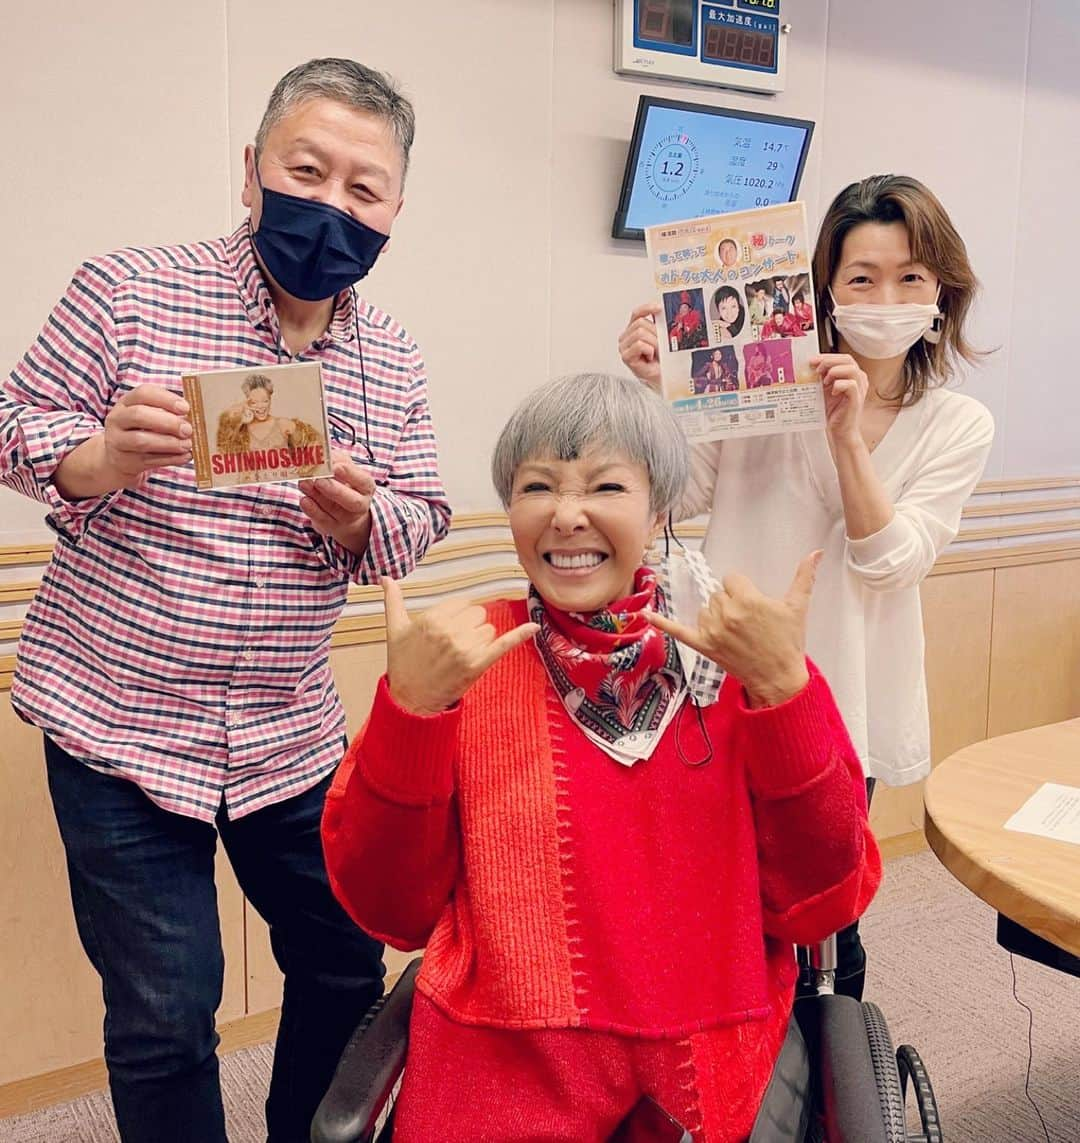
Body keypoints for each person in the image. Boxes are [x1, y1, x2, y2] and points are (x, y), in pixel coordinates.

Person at [0, 58, 450, 1143]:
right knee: (166, 1013)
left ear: (395, 211)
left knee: (345, 963)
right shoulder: (129, 289)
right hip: (118, 727)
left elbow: (424, 511)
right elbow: (14, 418)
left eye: (364, 188)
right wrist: (93, 459)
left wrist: (357, 523)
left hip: (286, 734)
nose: (331, 205)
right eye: (307, 170)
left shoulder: (389, 358)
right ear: (251, 173)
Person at [323, 374, 881, 1142]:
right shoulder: (465, 659)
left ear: (659, 509)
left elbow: (824, 898)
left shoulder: (738, 656)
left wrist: (787, 691)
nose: (566, 512)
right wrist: (411, 716)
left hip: (706, 1063)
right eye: (537, 486)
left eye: (605, 484)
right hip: (499, 1062)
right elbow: (392, 910)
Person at [616, 174, 995, 1001]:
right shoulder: (758, 383)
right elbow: (680, 497)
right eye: (861, 277)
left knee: (822, 911)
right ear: (824, 287)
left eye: (911, 278)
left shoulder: (957, 423)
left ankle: (826, 1085)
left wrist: (848, 440)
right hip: (722, 675)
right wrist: (657, 394)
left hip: (840, 700)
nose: (885, 297)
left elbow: (889, 561)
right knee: (709, 891)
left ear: (942, 293)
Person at [216, 373, 325, 484]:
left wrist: (303, 468)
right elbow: (223, 448)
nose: (261, 406)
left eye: (265, 401)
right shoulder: (242, 429)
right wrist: (240, 412)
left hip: (280, 489)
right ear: (247, 402)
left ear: (270, 399)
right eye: (253, 402)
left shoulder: (283, 424)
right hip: (246, 491)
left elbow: (315, 440)